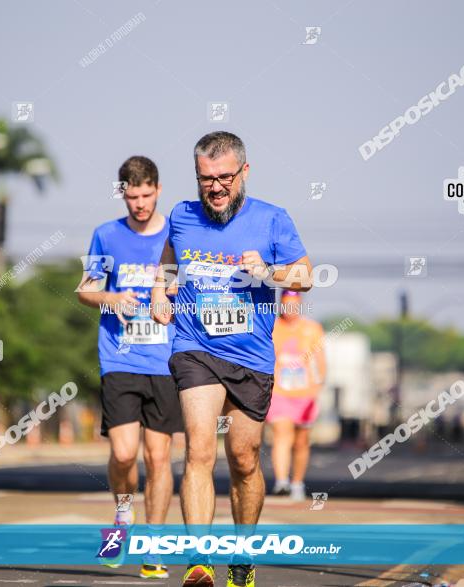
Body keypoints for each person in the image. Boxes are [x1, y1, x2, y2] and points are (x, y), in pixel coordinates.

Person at [151, 131, 312, 587]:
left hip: (251, 355)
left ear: (244, 172)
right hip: (195, 347)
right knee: (198, 450)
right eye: (206, 179)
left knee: (243, 458)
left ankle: (242, 554)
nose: (215, 187)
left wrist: (267, 272)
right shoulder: (181, 216)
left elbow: (306, 276)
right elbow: (168, 258)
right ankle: (200, 562)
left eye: (224, 177)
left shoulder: (273, 219)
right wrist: (162, 289)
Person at [77, 156, 182, 580]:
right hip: (118, 357)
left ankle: (154, 543)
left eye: (145, 195)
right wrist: (111, 299)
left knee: (159, 458)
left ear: (157, 190)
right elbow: (85, 291)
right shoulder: (107, 234)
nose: (139, 204)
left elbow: (186, 285)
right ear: (122, 193)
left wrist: (167, 297)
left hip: (165, 361)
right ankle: (123, 514)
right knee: (123, 453)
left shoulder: (175, 236)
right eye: (131, 195)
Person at [266, 290, 325, 501]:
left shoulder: (312, 329)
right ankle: (282, 482)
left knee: (301, 441)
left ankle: (297, 482)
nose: (290, 310)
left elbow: (320, 361)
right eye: (286, 304)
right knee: (282, 434)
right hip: (279, 392)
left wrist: (317, 387)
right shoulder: (272, 327)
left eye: (294, 305)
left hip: (305, 394)